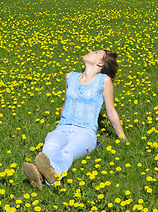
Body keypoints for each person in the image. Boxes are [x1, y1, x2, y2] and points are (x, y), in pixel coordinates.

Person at [23, 50, 127, 190]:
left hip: (85, 132)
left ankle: (46, 177)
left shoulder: (104, 81)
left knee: (68, 152)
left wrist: (123, 139)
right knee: (51, 143)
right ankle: (48, 176)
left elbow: (111, 112)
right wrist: (59, 127)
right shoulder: (70, 77)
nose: (90, 51)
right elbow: (65, 104)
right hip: (63, 127)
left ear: (100, 63)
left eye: (95, 52)